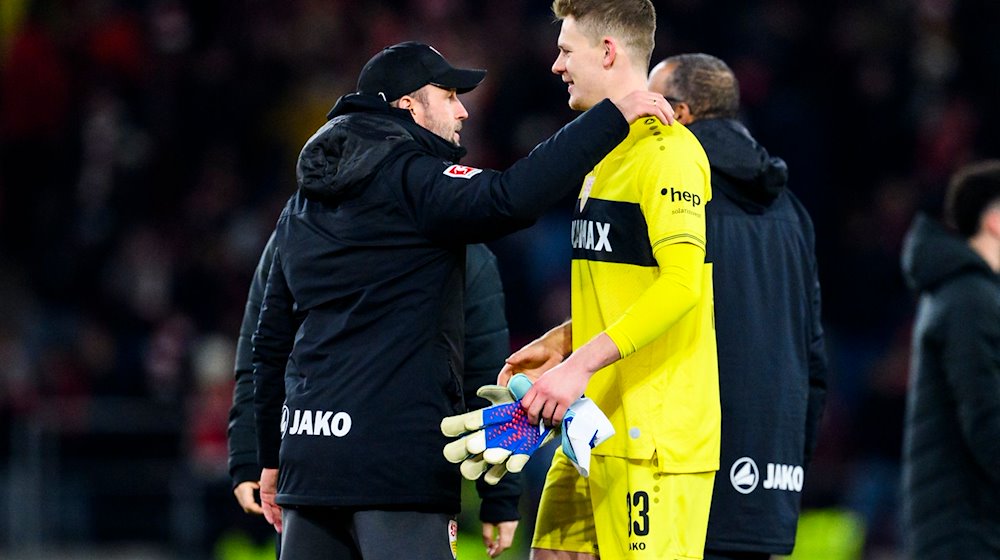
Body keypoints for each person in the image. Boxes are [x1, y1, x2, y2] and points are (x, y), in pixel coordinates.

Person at [251, 41, 673, 560]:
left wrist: (269, 456)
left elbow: (269, 343)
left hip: (308, 461)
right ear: (408, 104)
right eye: (449, 94)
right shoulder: (412, 177)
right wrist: (612, 116)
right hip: (394, 466)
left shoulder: (302, 204)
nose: (463, 109)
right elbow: (510, 198)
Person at [499, 2, 719, 558]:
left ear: (607, 52)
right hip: (592, 427)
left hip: (653, 442)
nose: (556, 65)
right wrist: (564, 341)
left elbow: (680, 287)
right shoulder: (604, 155)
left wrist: (579, 364)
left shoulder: (669, 152)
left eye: (566, 51)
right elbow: (632, 286)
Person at [227, 233, 522, 557]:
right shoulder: (306, 223)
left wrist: (500, 494)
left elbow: (484, 372)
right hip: (387, 475)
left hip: (325, 462)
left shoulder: (304, 222)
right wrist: (249, 452)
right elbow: (263, 348)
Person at [648, 53, 829, 560]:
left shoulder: (671, 196)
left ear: (680, 114)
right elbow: (813, 355)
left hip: (678, 472)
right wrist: (788, 460)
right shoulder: (793, 212)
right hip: (768, 470)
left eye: (651, 98)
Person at [900, 160, 1000, 559]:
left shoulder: (963, 294)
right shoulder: (969, 298)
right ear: (994, 220)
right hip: (966, 535)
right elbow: (987, 418)